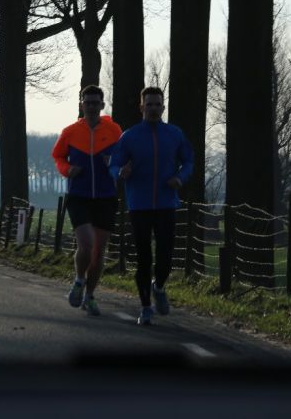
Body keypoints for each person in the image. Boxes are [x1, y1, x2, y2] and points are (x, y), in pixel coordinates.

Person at [109, 87, 193, 325]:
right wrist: (121, 172)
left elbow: (188, 161)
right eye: (149, 105)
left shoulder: (174, 134)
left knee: (165, 258)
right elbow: (114, 165)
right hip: (139, 205)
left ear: (163, 107)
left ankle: (159, 286)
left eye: (158, 104)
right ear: (141, 107)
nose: (154, 109)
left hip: (166, 203)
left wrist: (180, 178)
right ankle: (146, 307)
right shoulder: (130, 136)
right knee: (144, 258)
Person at [52, 85, 122, 316]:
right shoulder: (70, 131)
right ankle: (79, 279)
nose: (91, 106)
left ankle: (90, 296)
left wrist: (113, 162)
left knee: (99, 251)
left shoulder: (114, 130)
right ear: (81, 105)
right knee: (86, 244)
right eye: (87, 102)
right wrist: (67, 169)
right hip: (79, 195)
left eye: (95, 103)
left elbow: (123, 157)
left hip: (106, 196)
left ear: (102, 105)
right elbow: (58, 156)